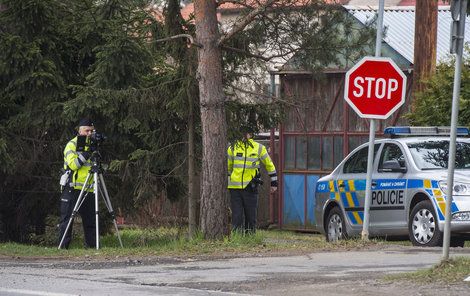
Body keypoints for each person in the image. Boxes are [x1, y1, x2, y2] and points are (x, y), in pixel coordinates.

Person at [227, 132, 277, 233]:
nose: (245, 135)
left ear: (251, 134)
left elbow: (269, 164)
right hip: (235, 188)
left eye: (248, 132)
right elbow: (228, 167)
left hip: (250, 187)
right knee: (237, 216)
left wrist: (274, 182)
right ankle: (237, 239)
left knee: (251, 216)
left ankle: (250, 238)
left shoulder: (259, 148)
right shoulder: (232, 147)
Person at [58, 118, 96, 249]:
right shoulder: (72, 145)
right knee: (67, 220)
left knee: (91, 220)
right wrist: (86, 154)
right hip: (72, 188)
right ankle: (63, 247)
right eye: (87, 131)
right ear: (80, 131)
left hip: (89, 189)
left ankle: (92, 246)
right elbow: (73, 165)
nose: (89, 133)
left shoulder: (93, 145)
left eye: (91, 131)